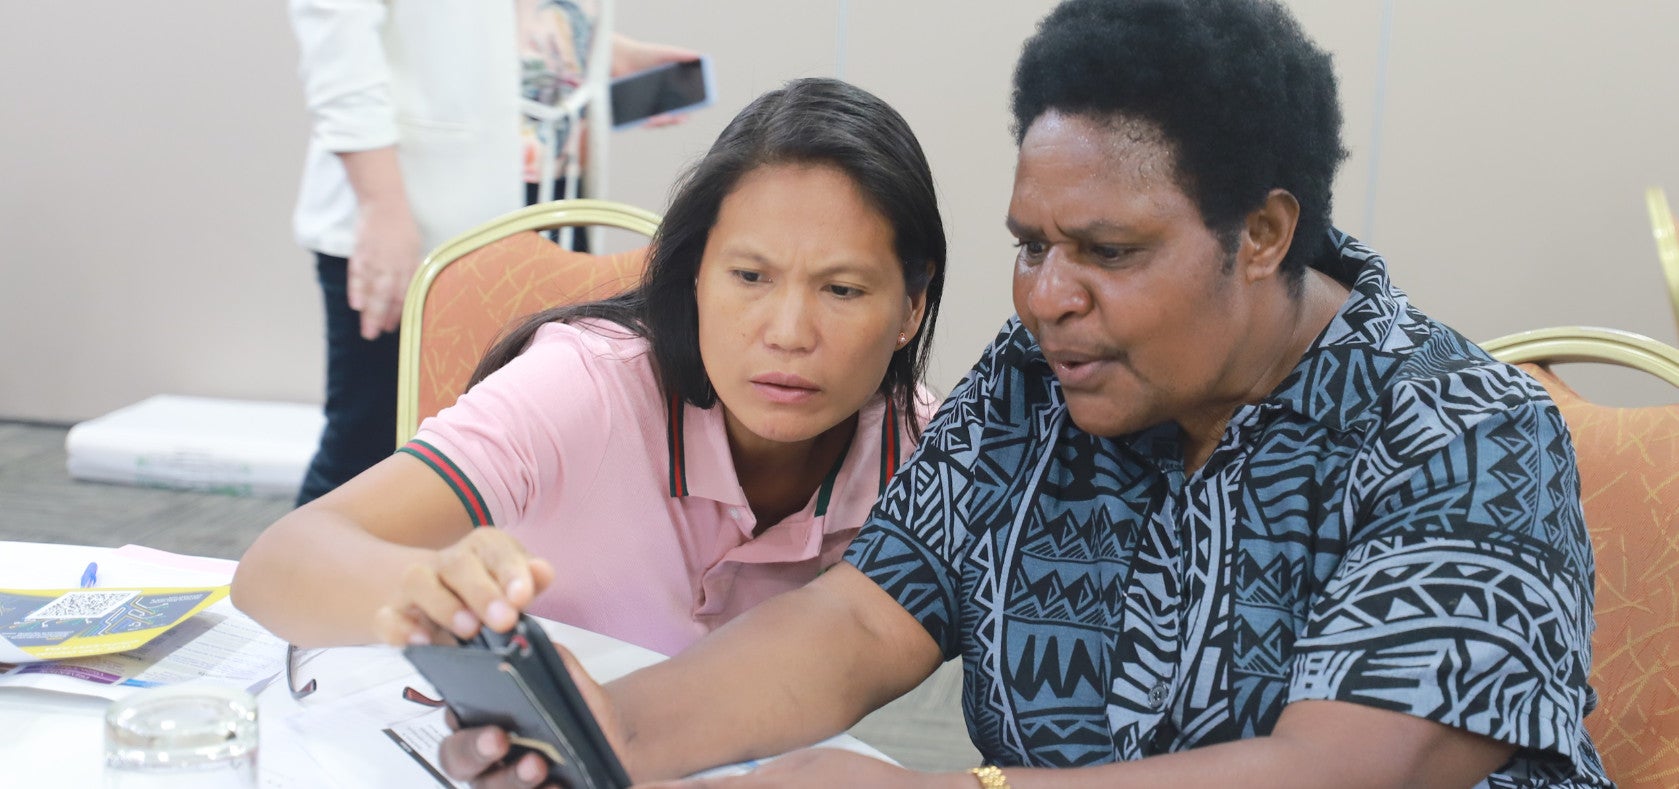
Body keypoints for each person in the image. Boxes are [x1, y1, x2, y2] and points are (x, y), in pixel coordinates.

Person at [428, 1, 1610, 787]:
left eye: (1104, 251)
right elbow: (857, 620)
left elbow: (1338, 771)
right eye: (1028, 245)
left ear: (1259, 234)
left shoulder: (1462, 437)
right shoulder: (1035, 390)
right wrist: (613, 736)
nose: (1045, 296)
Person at [232, 77, 948, 656]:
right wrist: (426, 581)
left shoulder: (927, 454)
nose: (789, 333)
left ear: (910, 309)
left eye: (843, 289)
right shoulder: (589, 385)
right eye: (750, 277)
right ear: (695, 275)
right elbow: (279, 563)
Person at [289, 0, 698, 506]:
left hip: (551, 193)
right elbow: (336, 32)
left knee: (532, 441)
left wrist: (590, 54)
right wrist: (382, 203)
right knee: (373, 449)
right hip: (418, 209)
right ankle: (289, 581)